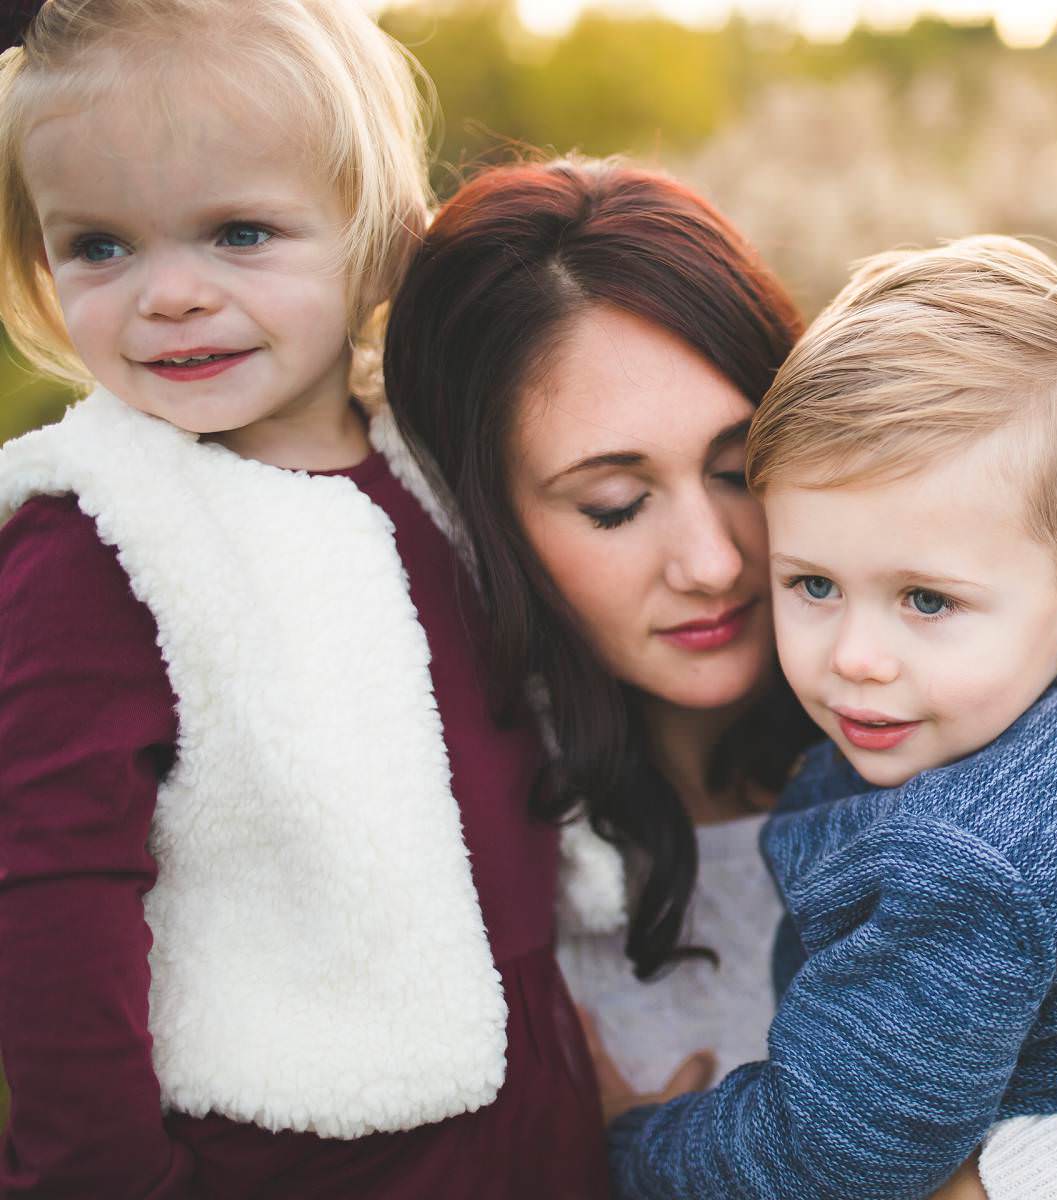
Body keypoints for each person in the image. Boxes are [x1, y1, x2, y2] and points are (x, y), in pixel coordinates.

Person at [382, 155, 1057, 1200]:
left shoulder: (1001, 703)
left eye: (736, 471)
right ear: (486, 521)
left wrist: (1007, 1189)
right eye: (615, 503)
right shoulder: (451, 822)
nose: (717, 563)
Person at [0, 3, 607, 1196]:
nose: (167, 295)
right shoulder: (97, 545)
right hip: (281, 1154)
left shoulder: (438, 472)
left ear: (376, 243)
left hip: (530, 1113)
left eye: (238, 232)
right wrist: (106, 1175)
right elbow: (49, 901)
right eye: (101, 247)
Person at [601, 234, 1057, 1199]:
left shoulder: (961, 879)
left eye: (926, 601)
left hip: (1039, 1106)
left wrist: (625, 1146)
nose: (855, 659)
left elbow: (824, 1153)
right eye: (815, 582)